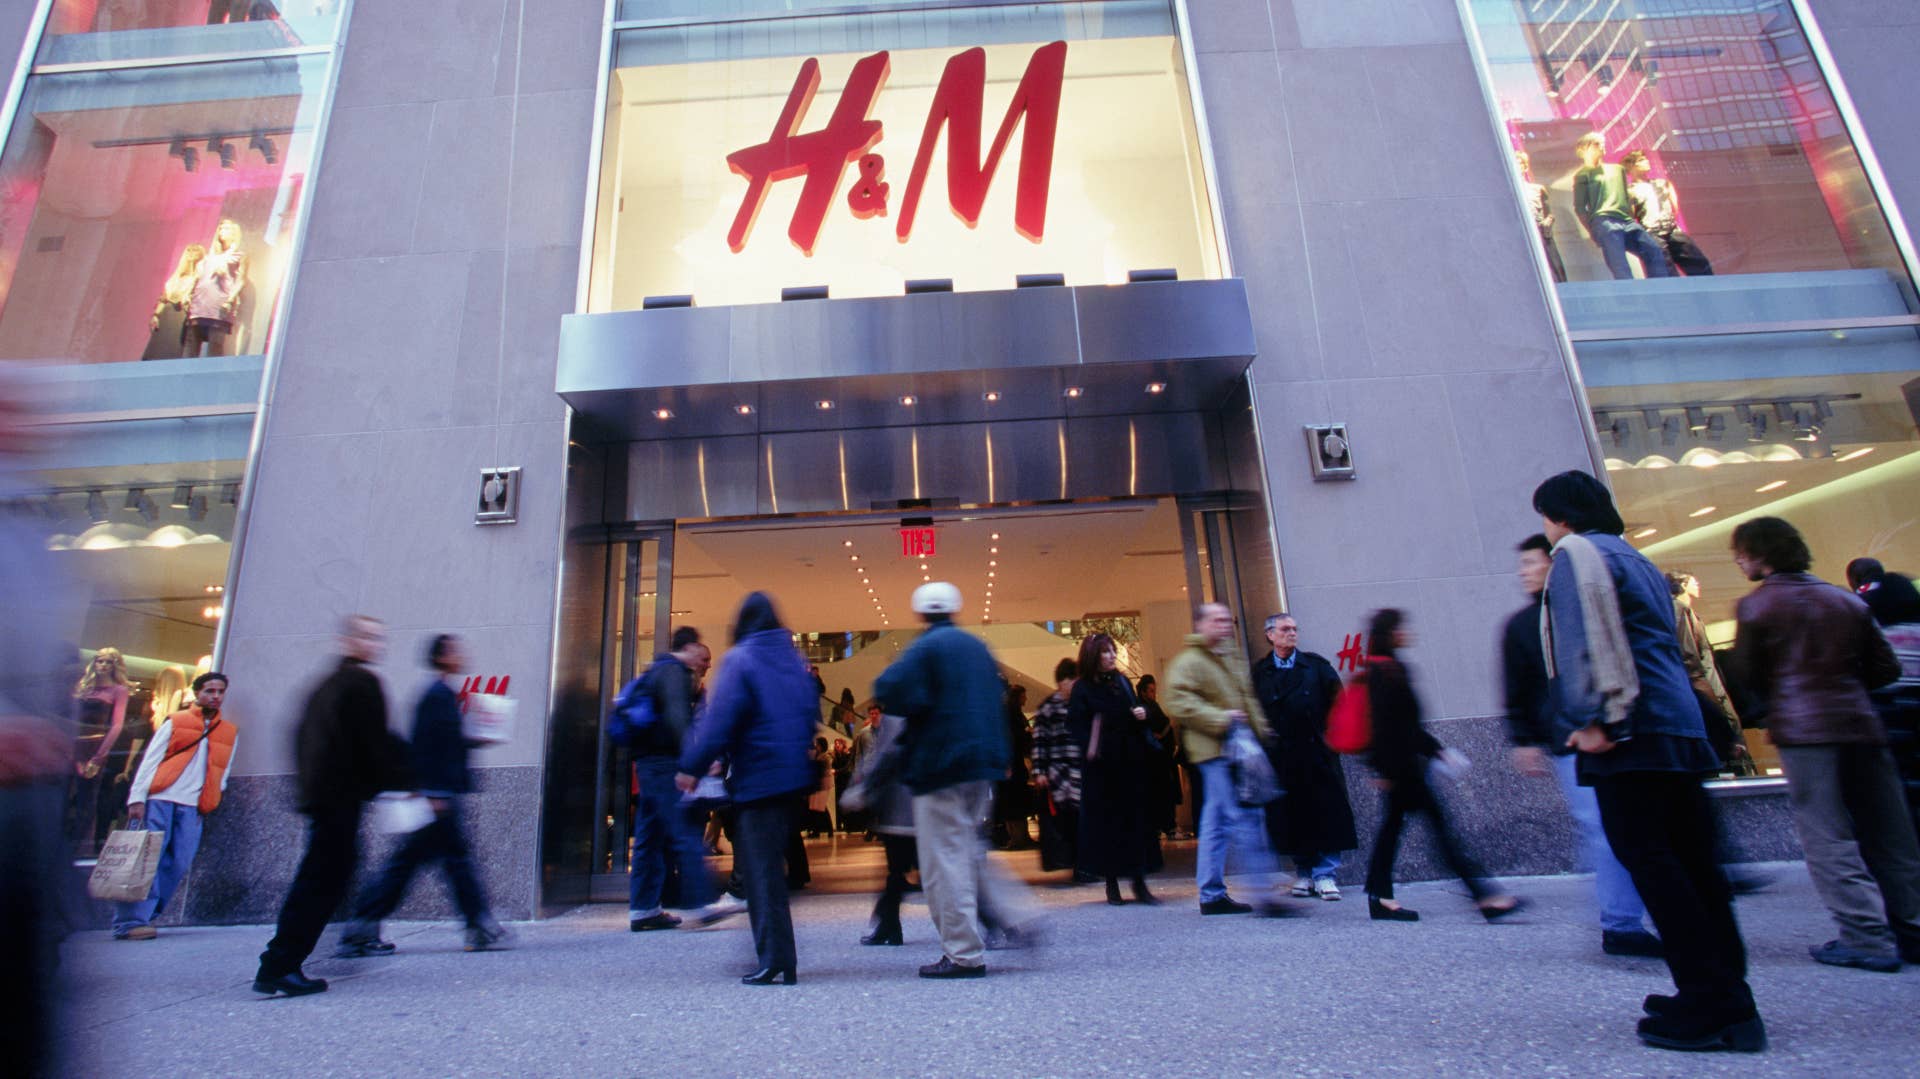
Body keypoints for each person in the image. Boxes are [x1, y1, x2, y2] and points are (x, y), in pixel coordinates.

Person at [1534, 470, 1764, 1053]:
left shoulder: (1574, 555)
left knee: (1655, 865)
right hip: (1678, 723)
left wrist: (1587, 721)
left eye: (1545, 516)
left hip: (1628, 728)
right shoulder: (1635, 558)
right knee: (1694, 864)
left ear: (1560, 516)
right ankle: (1726, 995)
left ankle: (1709, 1003)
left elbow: (1579, 642)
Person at [1727, 517, 1918, 972]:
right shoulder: (1844, 601)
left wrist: (1771, 705)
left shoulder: (1758, 607)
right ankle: (1911, 927)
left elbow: (1745, 676)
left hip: (1804, 731)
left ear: (1761, 555)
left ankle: (1864, 935)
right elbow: (1885, 670)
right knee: (1891, 832)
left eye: (1742, 552)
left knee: (1827, 834)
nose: (1738, 560)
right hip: (1861, 723)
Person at [874, 582, 1040, 979]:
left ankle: (964, 953)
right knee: (969, 852)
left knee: (943, 863)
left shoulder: (925, 648)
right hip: (980, 769)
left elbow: (888, 689)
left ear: (922, 612)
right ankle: (1019, 913)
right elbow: (996, 704)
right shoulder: (977, 649)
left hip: (939, 768)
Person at [1504, 535, 1659, 957]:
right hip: (1571, 738)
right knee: (1600, 827)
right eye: (1521, 565)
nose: (1524, 571)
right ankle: (1621, 922)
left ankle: (1631, 913)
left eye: (1531, 563)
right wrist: (1524, 739)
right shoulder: (1521, 626)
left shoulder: (1573, 610)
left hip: (1610, 731)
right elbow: (1517, 689)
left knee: (1617, 827)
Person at [254, 615, 411, 998]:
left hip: (326, 799)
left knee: (325, 877)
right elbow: (375, 745)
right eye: (367, 636)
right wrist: (406, 778)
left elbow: (302, 739)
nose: (375, 644)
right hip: (339, 799)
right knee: (321, 881)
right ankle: (280, 965)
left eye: (378, 637)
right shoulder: (360, 683)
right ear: (348, 640)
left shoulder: (327, 685)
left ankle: (285, 961)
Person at [338, 635, 510, 954]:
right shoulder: (435, 696)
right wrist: (430, 791)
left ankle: (363, 926)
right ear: (442, 657)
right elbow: (424, 747)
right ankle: (478, 926)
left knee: (415, 863)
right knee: (443, 863)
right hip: (437, 795)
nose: (461, 655)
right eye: (455, 651)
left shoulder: (442, 694)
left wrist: (474, 740)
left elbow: (443, 744)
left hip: (439, 793)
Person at [677, 593, 815, 986]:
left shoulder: (741, 659)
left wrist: (692, 765)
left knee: (760, 873)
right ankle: (779, 957)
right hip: (791, 780)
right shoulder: (793, 660)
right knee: (770, 868)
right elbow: (810, 712)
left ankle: (774, 959)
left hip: (758, 778)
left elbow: (719, 721)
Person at [1361, 608, 1522, 924]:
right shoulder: (1384, 672)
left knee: (1395, 832)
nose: (1406, 632)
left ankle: (1380, 898)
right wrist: (1383, 769)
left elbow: (1406, 725)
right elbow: (1383, 726)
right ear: (1389, 633)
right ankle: (1483, 896)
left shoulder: (1391, 668)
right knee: (1440, 833)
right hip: (1402, 771)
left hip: (1405, 768)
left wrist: (1437, 751)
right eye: (1400, 628)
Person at [1163, 603, 1292, 916]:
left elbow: (1245, 697)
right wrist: (1220, 719)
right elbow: (1177, 701)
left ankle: (1211, 893)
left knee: (1217, 823)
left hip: (1237, 749)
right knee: (1245, 819)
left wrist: (1261, 731)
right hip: (1214, 752)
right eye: (1216, 620)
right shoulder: (1189, 662)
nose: (1224, 625)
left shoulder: (1228, 655)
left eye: (1225, 619)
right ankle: (1263, 895)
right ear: (1200, 625)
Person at [624, 627, 740, 931]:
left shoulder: (656, 670)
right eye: (701, 655)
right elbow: (678, 719)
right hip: (664, 765)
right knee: (685, 830)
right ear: (688, 648)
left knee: (649, 837)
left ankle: (643, 908)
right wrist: (696, 761)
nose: (705, 663)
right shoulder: (674, 672)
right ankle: (701, 903)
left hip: (648, 764)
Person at [111, 671, 236, 941]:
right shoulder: (176, 722)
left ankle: (147, 915)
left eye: (220, 691)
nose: (215, 696)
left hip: (193, 805)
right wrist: (137, 797)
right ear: (197, 693)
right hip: (161, 798)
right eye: (209, 691)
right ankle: (130, 921)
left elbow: (222, 770)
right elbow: (151, 760)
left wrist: (214, 796)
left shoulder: (227, 731)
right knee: (147, 860)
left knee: (179, 861)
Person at [1251, 612, 1356, 901]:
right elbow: (1254, 709)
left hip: (1316, 753)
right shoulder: (1260, 672)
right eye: (1285, 629)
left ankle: (1326, 873)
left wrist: (1330, 737)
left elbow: (1339, 702)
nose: (1292, 634)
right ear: (1270, 634)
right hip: (1284, 757)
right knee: (1294, 815)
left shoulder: (1316, 666)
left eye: (1295, 629)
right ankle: (1304, 872)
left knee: (1326, 811)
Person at [1068, 633, 1163, 905]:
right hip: (1101, 768)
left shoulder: (1122, 681)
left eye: (1112, 651)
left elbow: (1134, 712)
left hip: (1129, 762)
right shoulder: (1083, 688)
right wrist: (1094, 741)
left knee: (1135, 822)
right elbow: (1075, 726)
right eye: (1105, 652)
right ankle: (1112, 883)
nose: (1111, 656)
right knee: (1107, 824)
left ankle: (1139, 881)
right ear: (1093, 656)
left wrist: (1142, 714)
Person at [839, 709, 917, 946]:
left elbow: (884, 759)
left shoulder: (897, 717)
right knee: (899, 872)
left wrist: (861, 791)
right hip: (909, 808)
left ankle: (887, 924)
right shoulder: (912, 712)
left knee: (902, 872)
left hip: (902, 809)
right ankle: (888, 926)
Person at [1667, 571, 1753, 776]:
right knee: (1727, 740)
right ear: (1682, 585)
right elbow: (1690, 657)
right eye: (1692, 581)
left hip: (1706, 683)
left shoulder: (1685, 611)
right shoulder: (1679, 610)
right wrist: (1709, 695)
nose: (1697, 583)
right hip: (1704, 685)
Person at [1572, 132, 1673, 280]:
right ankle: (1631, 298)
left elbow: (1626, 197)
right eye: (1596, 144)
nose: (1601, 146)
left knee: (1653, 250)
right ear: (1584, 149)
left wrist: (1631, 217)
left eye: (1602, 142)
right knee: (1619, 264)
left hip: (1627, 220)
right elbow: (1580, 207)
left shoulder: (1617, 169)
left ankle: (1660, 288)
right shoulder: (1583, 175)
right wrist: (1592, 231)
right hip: (1604, 221)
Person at [69, 648, 131, 856]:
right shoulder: (83, 687)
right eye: (100, 661)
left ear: (115, 666)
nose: (103, 666)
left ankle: (80, 848)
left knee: (87, 800)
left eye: (108, 662)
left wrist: (98, 756)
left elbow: (116, 726)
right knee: (63, 797)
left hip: (94, 747)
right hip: (72, 745)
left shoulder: (118, 691)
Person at [1029, 658, 1083, 877]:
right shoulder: (1048, 707)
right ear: (1062, 682)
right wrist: (1040, 771)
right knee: (1068, 821)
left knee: (1080, 820)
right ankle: (1076, 863)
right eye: (1072, 681)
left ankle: (1082, 864)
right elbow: (1039, 741)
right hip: (1059, 776)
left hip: (1079, 772)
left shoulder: (1080, 703)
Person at [1622, 150, 1714, 275]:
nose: (1647, 162)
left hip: (1672, 228)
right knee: (1664, 267)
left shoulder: (1662, 183)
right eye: (1641, 160)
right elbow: (1631, 215)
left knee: (1696, 261)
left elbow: (1674, 206)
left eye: (1645, 159)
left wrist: (1671, 222)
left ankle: (1706, 286)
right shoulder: (1630, 190)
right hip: (1652, 232)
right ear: (1631, 166)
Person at [183, 219, 247, 357]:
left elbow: (241, 280)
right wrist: (188, 294)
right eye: (221, 228)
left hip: (219, 305)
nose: (221, 232)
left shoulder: (238, 256)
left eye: (226, 229)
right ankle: (184, 373)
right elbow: (198, 278)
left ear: (234, 233)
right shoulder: (208, 257)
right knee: (191, 343)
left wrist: (230, 300)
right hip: (199, 303)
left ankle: (210, 376)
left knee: (215, 344)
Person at [1135, 675, 1181, 839]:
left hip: (1160, 760)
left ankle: (1164, 826)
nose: (1154, 694)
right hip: (1153, 761)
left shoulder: (1153, 707)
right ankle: (1165, 826)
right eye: (1151, 691)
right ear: (1144, 691)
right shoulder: (1143, 709)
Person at [142, 244, 205, 360]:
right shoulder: (176, 277)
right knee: (157, 347)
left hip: (182, 315)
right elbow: (164, 297)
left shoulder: (200, 278)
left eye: (195, 251)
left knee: (173, 347)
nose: (191, 253)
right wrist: (156, 315)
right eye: (189, 251)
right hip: (166, 313)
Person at [1515, 149, 1568, 283]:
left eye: (1520, 163)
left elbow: (1548, 213)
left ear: (1525, 166)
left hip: (1539, 231)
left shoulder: (1537, 189)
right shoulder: (1507, 192)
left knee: (1550, 262)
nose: (1517, 165)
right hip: (1519, 232)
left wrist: (1547, 223)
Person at [992, 685, 1033, 849]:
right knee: (1014, 802)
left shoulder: (1011, 714)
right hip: (1012, 764)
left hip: (1014, 764)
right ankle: (1017, 837)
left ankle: (1020, 837)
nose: (1026, 699)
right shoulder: (1011, 715)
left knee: (1016, 801)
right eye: (1024, 696)